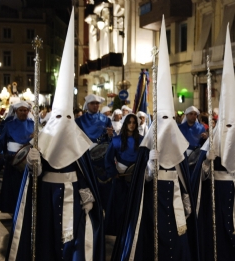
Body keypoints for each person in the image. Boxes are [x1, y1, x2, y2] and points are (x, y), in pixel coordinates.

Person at [5, 11, 105, 260]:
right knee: (47, 241)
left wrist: (87, 196)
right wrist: (33, 163)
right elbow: (34, 178)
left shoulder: (77, 139)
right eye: (58, 118)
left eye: (67, 118)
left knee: (71, 245)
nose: (63, 124)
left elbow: (85, 175)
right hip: (46, 198)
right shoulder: (43, 139)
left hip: (72, 193)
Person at [111, 18, 199, 261]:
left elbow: (183, 174)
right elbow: (140, 181)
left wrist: (186, 197)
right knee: (151, 241)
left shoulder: (177, 146)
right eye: (163, 119)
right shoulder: (146, 148)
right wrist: (149, 170)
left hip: (174, 199)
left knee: (176, 243)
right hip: (151, 202)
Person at [192, 26, 235, 261]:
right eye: (228, 127)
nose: (232, 132)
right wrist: (205, 164)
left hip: (234, 194)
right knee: (217, 238)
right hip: (214, 195)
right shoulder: (212, 142)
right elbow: (197, 177)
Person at [104, 113, 143, 235]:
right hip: (120, 178)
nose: (131, 125)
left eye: (134, 122)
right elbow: (108, 158)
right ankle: (119, 230)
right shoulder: (116, 140)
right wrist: (113, 172)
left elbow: (144, 158)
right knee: (119, 206)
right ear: (125, 124)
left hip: (136, 177)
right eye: (129, 122)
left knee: (134, 205)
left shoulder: (142, 140)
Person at [76, 93, 113, 207]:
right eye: (92, 103)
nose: (95, 106)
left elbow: (111, 139)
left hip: (102, 157)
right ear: (87, 105)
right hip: (85, 156)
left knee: (103, 184)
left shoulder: (106, 119)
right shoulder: (80, 120)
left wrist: (111, 135)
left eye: (97, 103)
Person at [0, 101, 34, 213]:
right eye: (21, 110)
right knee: (12, 187)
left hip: (27, 160)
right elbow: (2, 140)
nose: (23, 112)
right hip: (12, 160)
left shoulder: (33, 124)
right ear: (16, 111)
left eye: (25, 110)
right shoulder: (9, 125)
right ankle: (12, 209)